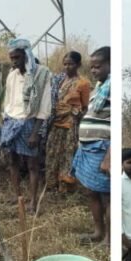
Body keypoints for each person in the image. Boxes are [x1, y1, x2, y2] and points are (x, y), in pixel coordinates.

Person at [0, 37, 52, 213]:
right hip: (11, 121)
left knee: (32, 165)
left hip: (30, 123)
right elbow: (8, 100)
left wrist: (35, 132)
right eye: (12, 58)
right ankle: (18, 197)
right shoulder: (12, 75)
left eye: (17, 57)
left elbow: (44, 105)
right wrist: (5, 120)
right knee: (12, 161)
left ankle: (33, 201)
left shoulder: (42, 74)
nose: (14, 61)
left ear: (26, 55)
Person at [72, 47, 111, 242]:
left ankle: (110, 239)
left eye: (98, 66)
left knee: (107, 196)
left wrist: (109, 157)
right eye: (92, 67)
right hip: (88, 148)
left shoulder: (113, 87)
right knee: (91, 191)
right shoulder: (100, 87)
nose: (94, 70)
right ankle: (98, 232)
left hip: (101, 149)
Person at [45, 51, 90, 192]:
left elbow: (85, 108)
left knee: (68, 155)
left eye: (70, 64)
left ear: (78, 65)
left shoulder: (83, 83)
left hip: (70, 125)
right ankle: (51, 185)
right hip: (55, 123)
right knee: (52, 153)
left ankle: (65, 188)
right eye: (65, 64)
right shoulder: (58, 80)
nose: (67, 67)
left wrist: (72, 111)